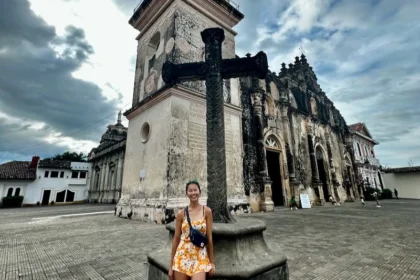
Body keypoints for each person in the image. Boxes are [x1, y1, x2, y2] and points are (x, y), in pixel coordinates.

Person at [168, 180, 215, 280]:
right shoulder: (181, 214)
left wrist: (212, 262)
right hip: (182, 255)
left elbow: (209, 238)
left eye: (195, 190)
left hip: (200, 255)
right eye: (190, 191)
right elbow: (176, 238)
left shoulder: (207, 211)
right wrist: (171, 265)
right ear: (187, 193)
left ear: (199, 192)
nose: (193, 193)